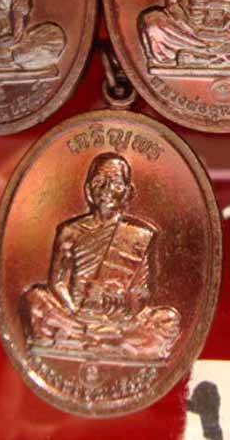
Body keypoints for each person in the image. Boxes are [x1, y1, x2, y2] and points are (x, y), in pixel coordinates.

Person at [21, 152, 181, 361]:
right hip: (75, 316)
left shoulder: (141, 235)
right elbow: (58, 283)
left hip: (120, 321)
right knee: (34, 298)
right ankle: (109, 344)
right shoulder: (70, 231)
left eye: (116, 183)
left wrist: (125, 304)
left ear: (128, 192)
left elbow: (142, 290)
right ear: (88, 190)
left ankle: (88, 341)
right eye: (99, 182)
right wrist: (76, 311)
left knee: (168, 319)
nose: (107, 189)